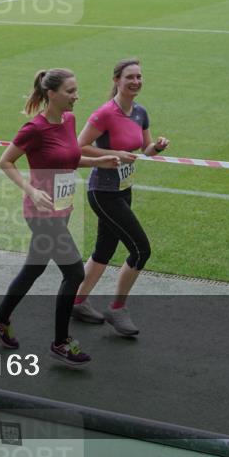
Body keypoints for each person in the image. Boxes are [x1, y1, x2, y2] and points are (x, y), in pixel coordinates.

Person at [0, 69, 118, 368]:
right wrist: (31, 190)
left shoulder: (69, 120)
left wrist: (99, 161)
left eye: (76, 90)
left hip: (62, 209)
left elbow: (70, 158)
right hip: (42, 215)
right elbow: (5, 161)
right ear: (51, 94)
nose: (76, 96)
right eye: (70, 91)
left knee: (34, 268)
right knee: (74, 273)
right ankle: (60, 342)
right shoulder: (34, 128)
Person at [71, 59, 169, 336]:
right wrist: (112, 155)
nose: (136, 81)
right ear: (116, 80)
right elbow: (79, 147)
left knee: (104, 249)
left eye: (139, 77)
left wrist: (157, 147)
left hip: (124, 190)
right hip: (103, 192)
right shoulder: (105, 114)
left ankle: (77, 302)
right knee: (141, 250)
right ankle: (117, 308)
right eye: (130, 77)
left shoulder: (140, 112)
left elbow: (145, 149)